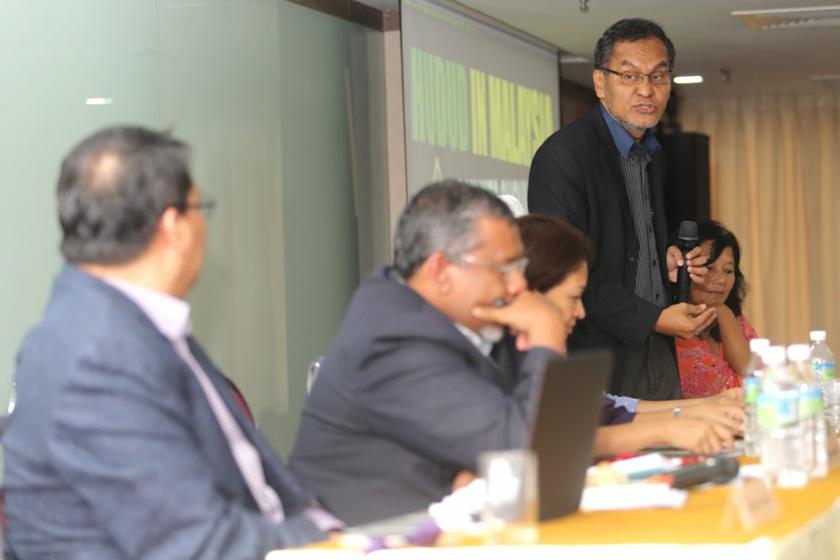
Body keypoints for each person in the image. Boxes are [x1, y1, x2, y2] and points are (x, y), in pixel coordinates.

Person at [2, 126, 337, 559]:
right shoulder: (96, 356)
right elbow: (199, 545)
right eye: (202, 209)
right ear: (173, 227)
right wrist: (353, 546)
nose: (204, 227)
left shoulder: (130, 323)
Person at [289, 180, 568, 525]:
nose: (518, 286)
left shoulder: (436, 318)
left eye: (519, 269)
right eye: (504, 269)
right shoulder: (393, 338)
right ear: (440, 270)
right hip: (356, 544)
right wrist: (546, 338)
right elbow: (522, 453)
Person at [528, 18, 715, 400]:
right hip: (596, 357)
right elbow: (565, 274)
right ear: (601, 83)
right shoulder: (564, 156)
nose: (646, 90)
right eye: (629, 76)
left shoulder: (651, 153)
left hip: (654, 351)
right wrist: (656, 319)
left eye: (658, 77)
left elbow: (628, 247)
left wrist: (661, 259)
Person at [518, 214, 739, 455]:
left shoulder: (542, 357)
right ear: (529, 292)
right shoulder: (503, 362)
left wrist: (703, 407)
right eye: (573, 298)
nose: (581, 312)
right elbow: (556, 441)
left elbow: (610, 408)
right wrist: (668, 428)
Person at [676, 220, 757, 398]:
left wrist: (722, 311)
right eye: (709, 268)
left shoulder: (738, 322)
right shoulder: (668, 329)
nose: (720, 280)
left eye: (728, 271)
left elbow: (749, 371)